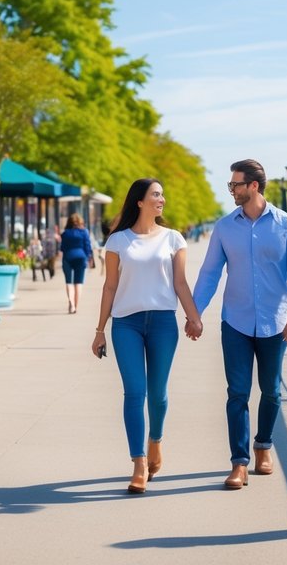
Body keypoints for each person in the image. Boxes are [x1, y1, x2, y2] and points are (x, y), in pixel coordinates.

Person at [193, 159, 287, 490]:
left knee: (271, 391)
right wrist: (195, 312)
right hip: (236, 321)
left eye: (236, 185)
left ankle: (263, 446)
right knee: (238, 393)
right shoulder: (225, 227)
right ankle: (239, 463)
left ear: (254, 186)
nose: (232, 189)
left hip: (276, 322)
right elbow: (210, 272)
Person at [91, 178, 204, 494]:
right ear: (139, 201)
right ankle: (138, 462)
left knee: (157, 393)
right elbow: (110, 287)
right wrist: (100, 330)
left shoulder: (173, 239)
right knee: (134, 392)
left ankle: (156, 441)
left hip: (163, 325)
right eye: (156, 194)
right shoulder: (117, 242)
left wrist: (193, 317)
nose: (162, 199)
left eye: (162, 195)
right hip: (126, 324)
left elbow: (180, 283)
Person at [59, 214, 92, 313]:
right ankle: (75, 306)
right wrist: (87, 257)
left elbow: (62, 248)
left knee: (69, 282)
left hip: (67, 258)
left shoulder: (65, 233)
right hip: (81, 257)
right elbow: (88, 247)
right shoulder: (85, 232)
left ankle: (71, 304)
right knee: (78, 283)